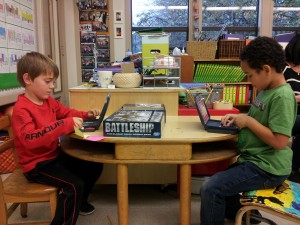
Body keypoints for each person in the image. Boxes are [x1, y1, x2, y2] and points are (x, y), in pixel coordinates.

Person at [200, 36, 297, 225]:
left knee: (211, 189)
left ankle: (246, 216)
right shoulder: (267, 90)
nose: (249, 80)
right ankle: (250, 217)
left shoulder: (282, 97)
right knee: (218, 182)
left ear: (266, 70)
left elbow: (280, 142)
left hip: (268, 168)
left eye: (250, 75)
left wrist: (248, 122)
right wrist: (239, 119)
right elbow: (259, 120)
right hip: (255, 160)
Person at [12, 52, 103, 225]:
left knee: (94, 163)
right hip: (36, 165)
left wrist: (86, 115)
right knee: (73, 186)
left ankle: (80, 201)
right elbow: (30, 140)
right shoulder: (21, 110)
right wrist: (63, 125)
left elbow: (66, 113)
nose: (52, 86)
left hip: (53, 156)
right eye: (48, 82)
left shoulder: (48, 101)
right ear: (28, 79)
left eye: (53, 82)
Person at [283, 33, 300, 183]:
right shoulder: (284, 70)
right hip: (288, 114)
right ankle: (293, 168)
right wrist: (297, 98)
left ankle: (295, 167)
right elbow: (278, 96)